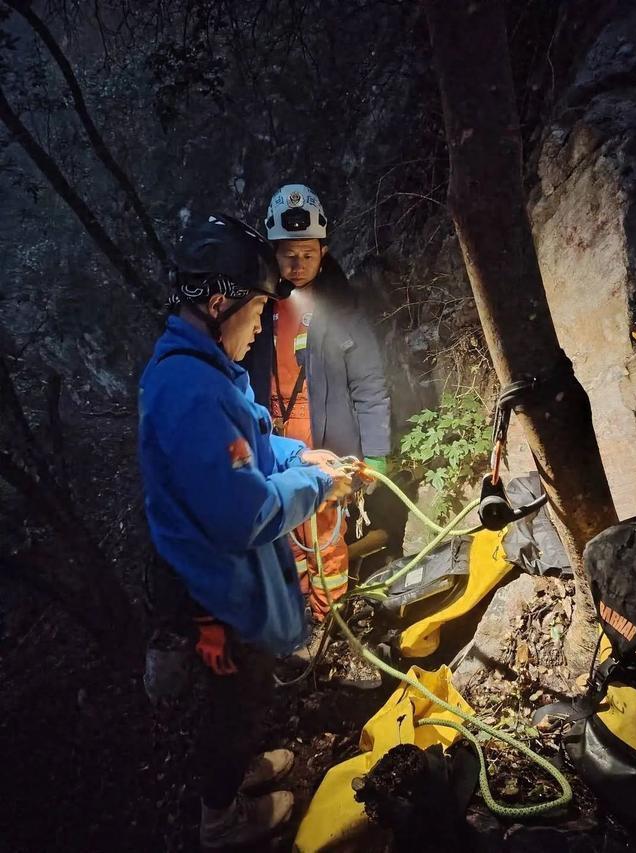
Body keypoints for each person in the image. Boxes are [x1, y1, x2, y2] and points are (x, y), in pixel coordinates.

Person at [138, 213, 352, 849]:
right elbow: (244, 513)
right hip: (216, 600)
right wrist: (317, 485)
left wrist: (300, 458)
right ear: (218, 301)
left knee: (248, 697)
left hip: (229, 587)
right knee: (234, 706)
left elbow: (253, 442)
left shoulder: (206, 370)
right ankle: (221, 817)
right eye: (257, 309)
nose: (262, 323)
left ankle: (234, 776)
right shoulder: (191, 391)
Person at [243, 184, 391, 620]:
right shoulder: (256, 307)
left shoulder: (342, 309)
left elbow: (369, 384)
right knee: (284, 531)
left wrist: (378, 453)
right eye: (288, 254)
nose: (298, 264)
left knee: (325, 532)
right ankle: (300, 608)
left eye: (308, 254)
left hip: (324, 435)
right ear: (272, 253)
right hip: (272, 435)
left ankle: (332, 616)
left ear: (323, 252)